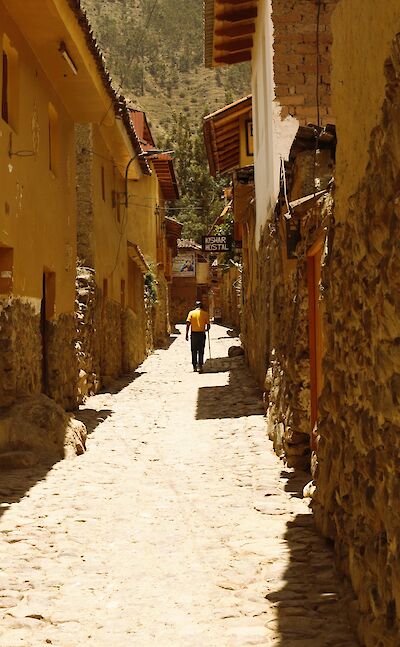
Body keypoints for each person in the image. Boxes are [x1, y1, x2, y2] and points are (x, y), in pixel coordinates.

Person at [186, 300, 210, 373]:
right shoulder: (205, 313)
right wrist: (205, 329)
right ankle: (200, 365)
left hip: (194, 334)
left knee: (193, 350)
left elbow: (188, 324)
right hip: (201, 334)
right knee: (201, 350)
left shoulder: (191, 313)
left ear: (195, 306)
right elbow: (208, 326)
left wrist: (186, 334)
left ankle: (194, 366)